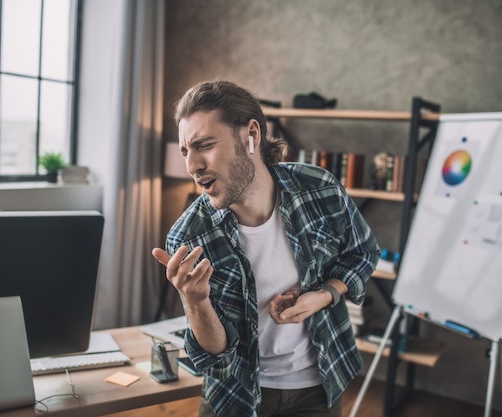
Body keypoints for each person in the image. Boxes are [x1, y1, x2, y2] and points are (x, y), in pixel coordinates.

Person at [152, 80, 380, 417]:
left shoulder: (318, 189)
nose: (192, 166)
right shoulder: (189, 238)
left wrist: (325, 294)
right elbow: (216, 359)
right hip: (236, 396)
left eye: (205, 145)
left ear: (251, 136)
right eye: (187, 151)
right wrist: (195, 301)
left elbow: (363, 252)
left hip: (319, 385)